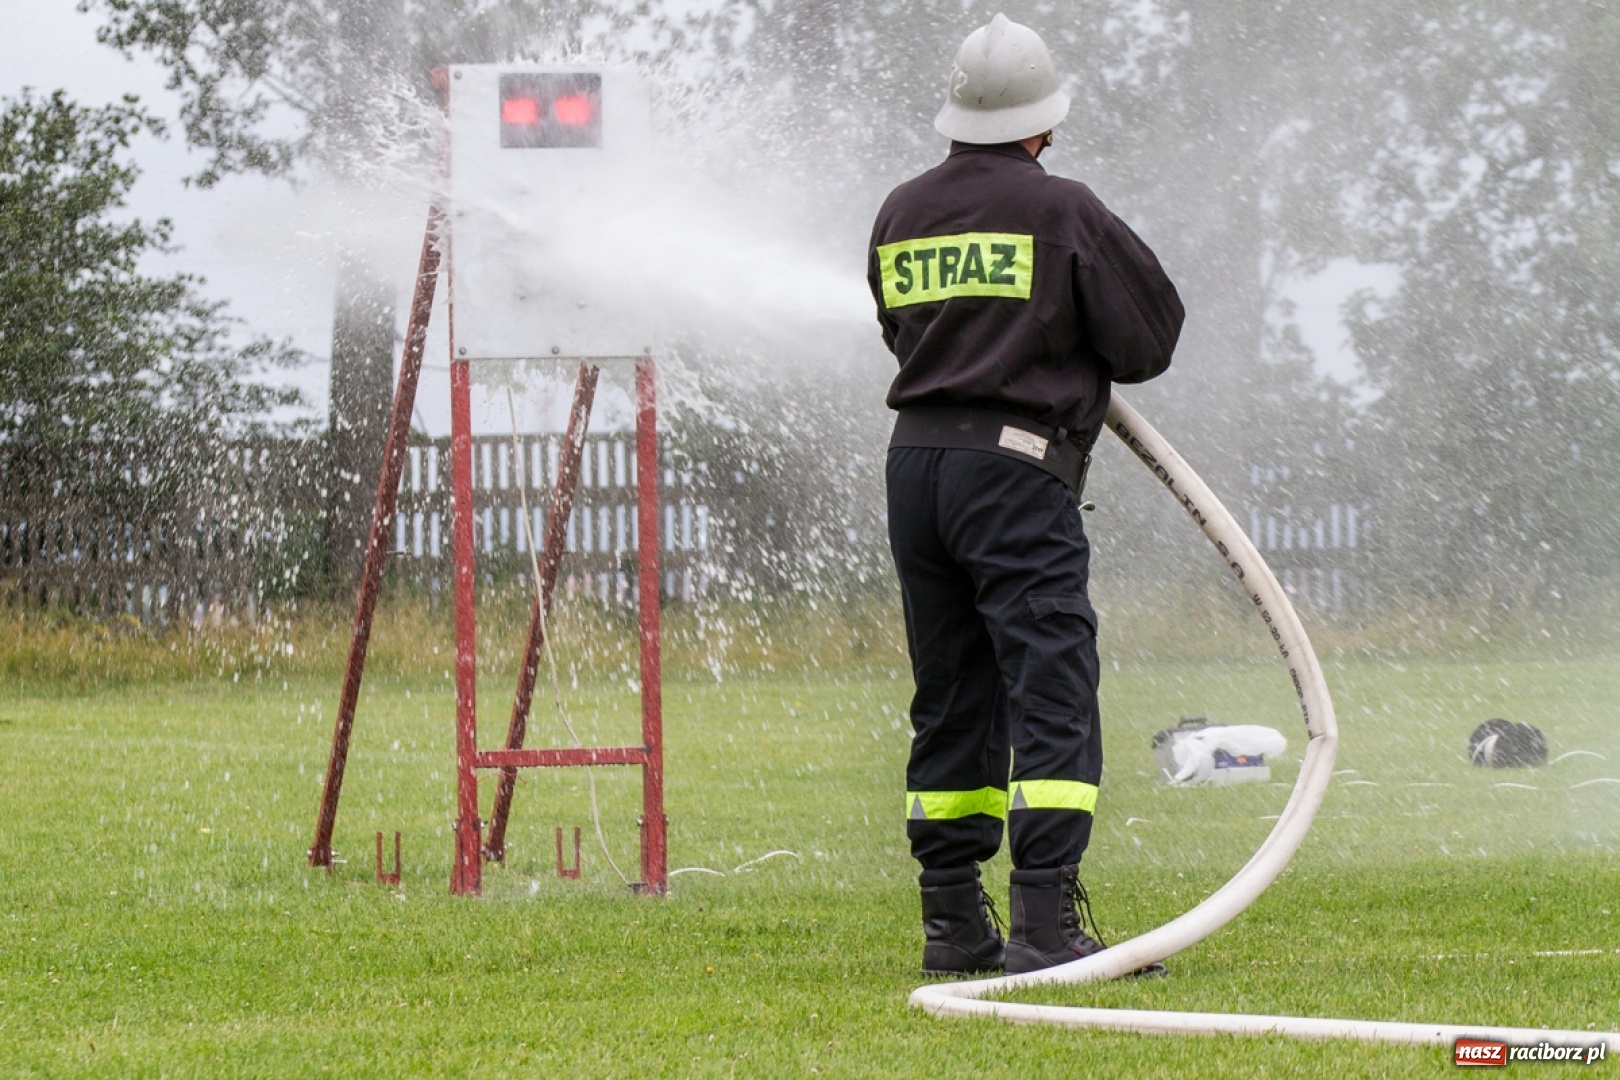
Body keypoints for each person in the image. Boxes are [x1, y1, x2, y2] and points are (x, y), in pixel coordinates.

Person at [867, 12, 1184, 977]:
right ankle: (1045, 923)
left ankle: (953, 924)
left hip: (916, 471)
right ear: (1043, 122)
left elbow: (902, 333)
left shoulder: (899, 210)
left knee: (953, 692)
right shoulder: (1063, 210)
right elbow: (1149, 338)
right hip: (1013, 471)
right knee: (1050, 685)